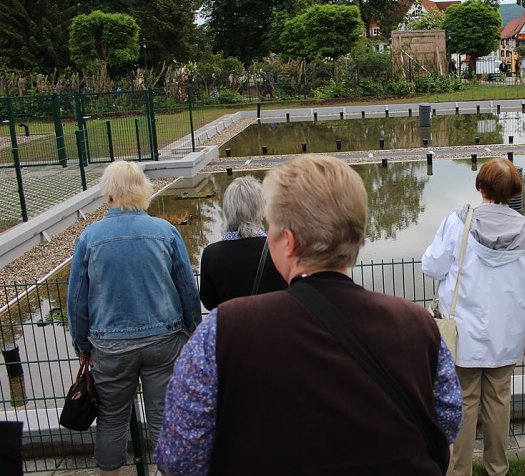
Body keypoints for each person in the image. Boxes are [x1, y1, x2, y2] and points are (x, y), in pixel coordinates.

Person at [155, 155, 463, 475]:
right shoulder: (417, 325)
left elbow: (179, 457)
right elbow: (449, 420)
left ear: (287, 243)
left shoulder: (220, 332)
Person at [67, 160, 201, 476]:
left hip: (110, 345)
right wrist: (194, 331)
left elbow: (77, 301)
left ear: (109, 194)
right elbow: (186, 290)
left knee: (112, 418)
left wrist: (83, 344)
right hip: (164, 341)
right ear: (143, 192)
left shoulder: (89, 238)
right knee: (163, 414)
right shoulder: (165, 232)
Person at [422, 158, 525, 476]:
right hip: (506, 335)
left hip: (463, 335)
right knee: (499, 403)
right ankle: (497, 469)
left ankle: (458, 470)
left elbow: (432, 266)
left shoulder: (459, 221)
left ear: (481, 187)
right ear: (513, 192)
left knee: (462, 404)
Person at [199, 176, 286, 310]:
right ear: (260, 208)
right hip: (272, 325)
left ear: (227, 209)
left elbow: (209, 302)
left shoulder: (211, 254)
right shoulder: (278, 249)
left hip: (231, 327)